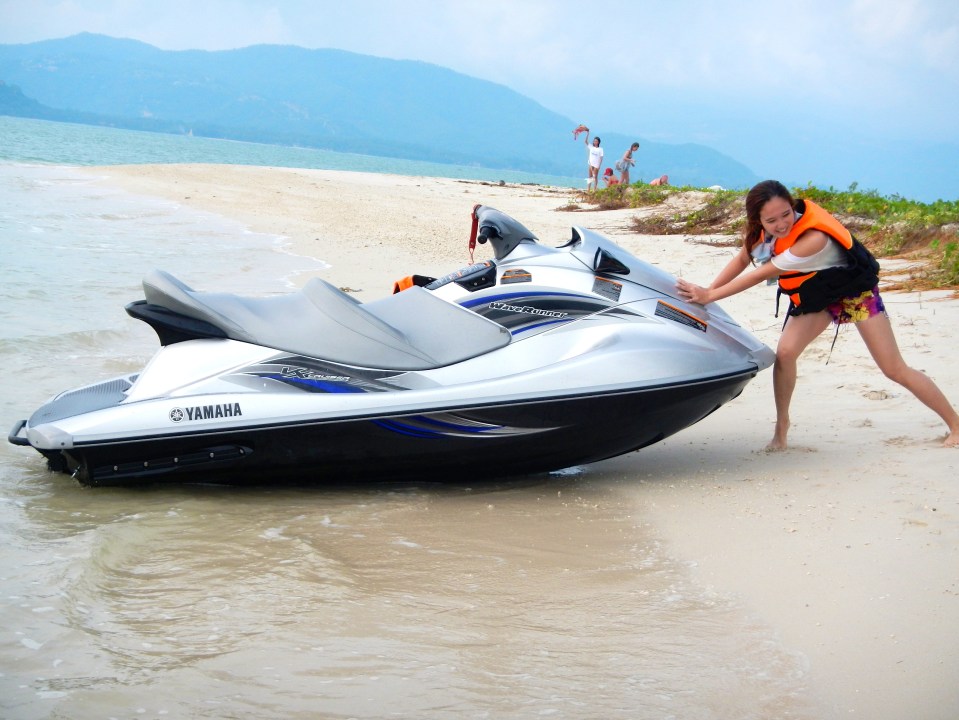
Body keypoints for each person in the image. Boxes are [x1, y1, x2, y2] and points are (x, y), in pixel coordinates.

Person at [675, 179, 959, 450]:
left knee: (893, 368)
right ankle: (782, 427)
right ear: (758, 221)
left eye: (786, 214)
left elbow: (761, 273)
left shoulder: (814, 238)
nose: (781, 224)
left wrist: (709, 296)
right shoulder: (760, 234)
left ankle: (956, 425)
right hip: (819, 296)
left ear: (793, 206)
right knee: (786, 353)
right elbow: (742, 259)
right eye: (771, 220)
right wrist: (708, 290)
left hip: (854, 294)